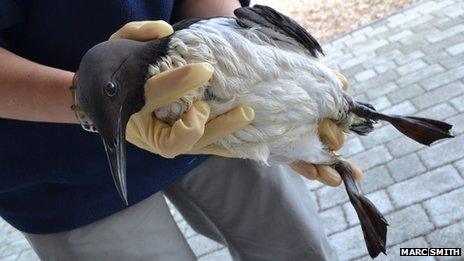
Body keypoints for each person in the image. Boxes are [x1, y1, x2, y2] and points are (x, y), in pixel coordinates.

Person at [0, 0, 363, 260]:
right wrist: (94, 103)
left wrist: (242, 59)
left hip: (210, 108)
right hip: (56, 179)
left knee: (301, 250)